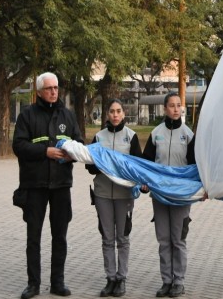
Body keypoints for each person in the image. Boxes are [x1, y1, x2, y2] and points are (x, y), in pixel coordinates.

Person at [12, 72, 83, 299]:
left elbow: (80, 145)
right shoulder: (27, 115)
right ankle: (33, 284)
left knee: (59, 236)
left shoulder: (68, 115)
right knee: (34, 237)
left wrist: (72, 155)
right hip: (35, 186)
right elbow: (19, 146)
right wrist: (45, 151)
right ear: (39, 91)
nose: (54, 92)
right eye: (49, 88)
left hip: (61, 185)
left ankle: (57, 283)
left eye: (56, 88)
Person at [86, 99, 143, 297]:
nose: (115, 115)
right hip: (102, 194)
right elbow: (90, 167)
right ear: (107, 114)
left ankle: (122, 278)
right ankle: (110, 278)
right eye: (112, 111)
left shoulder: (131, 137)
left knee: (123, 237)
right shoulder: (98, 137)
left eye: (119, 111)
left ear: (123, 114)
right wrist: (99, 162)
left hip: (124, 195)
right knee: (107, 238)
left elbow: (138, 166)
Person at [142, 92, 196, 298]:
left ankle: (179, 281)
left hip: (180, 196)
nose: (175, 109)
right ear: (165, 108)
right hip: (160, 195)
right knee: (164, 239)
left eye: (178, 106)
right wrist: (145, 184)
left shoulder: (188, 135)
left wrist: (198, 190)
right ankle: (166, 281)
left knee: (178, 239)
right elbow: (147, 164)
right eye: (171, 106)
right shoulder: (156, 133)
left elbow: (194, 166)